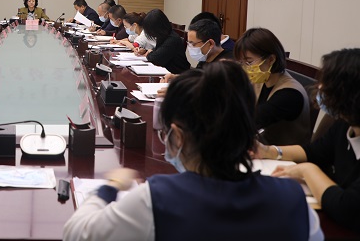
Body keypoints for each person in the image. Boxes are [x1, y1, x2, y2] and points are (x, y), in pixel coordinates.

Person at [63, 62, 322, 241]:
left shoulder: (156, 199)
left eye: (165, 134)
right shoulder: (294, 201)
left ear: (177, 137)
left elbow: (76, 233)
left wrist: (109, 187)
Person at [255, 48, 360, 233]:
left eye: (326, 83)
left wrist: (307, 170)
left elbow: (347, 208)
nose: (319, 88)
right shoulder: (344, 125)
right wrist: (268, 151)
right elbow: (314, 152)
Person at [234, 27, 309, 146]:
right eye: (242, 63)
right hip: (262, 148)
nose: (245, 67)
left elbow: (252, 120)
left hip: (284, 155)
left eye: (249, 62)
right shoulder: (262, 79)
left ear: (271, 59)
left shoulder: (290, 94)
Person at [141, 9, 190, 74]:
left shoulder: (172, 39)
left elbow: (156, 59)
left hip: (178, 75)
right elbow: (158, 52)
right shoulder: (164, 35)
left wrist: (150, 53)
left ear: (157, 27)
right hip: (166, 71)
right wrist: (146, 51)